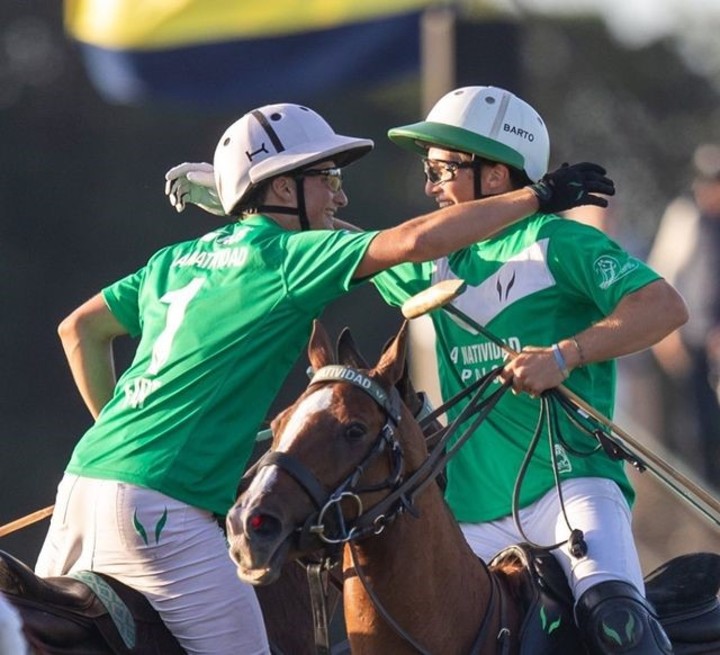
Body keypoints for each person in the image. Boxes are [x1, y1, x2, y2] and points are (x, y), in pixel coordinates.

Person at [39, 102, 610, 655]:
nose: (340, 194)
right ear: (284, 189)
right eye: (327, 177)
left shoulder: (173, 259)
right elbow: (415, 241)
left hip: (80, 488)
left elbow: (78, 329)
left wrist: (131, 445)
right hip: (165, 509)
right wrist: (537, 196)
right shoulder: (289, 258)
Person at [165, 88, 686, 654]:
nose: (429, 185)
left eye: (443, 168)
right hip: (466, 511)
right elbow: (323, 241)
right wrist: (237, 193)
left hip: (570, 492)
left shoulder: (560, 243)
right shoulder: (429, 262)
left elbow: (663, 307)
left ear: (495, 174)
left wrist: (564, 355)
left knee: (619, 629)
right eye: (428, 169)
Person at [648, 143, 720, 488]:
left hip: (714, 341)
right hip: (689, 338)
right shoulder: (685, 215)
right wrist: (668, 336)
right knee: (692, 424)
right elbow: (663, 270)